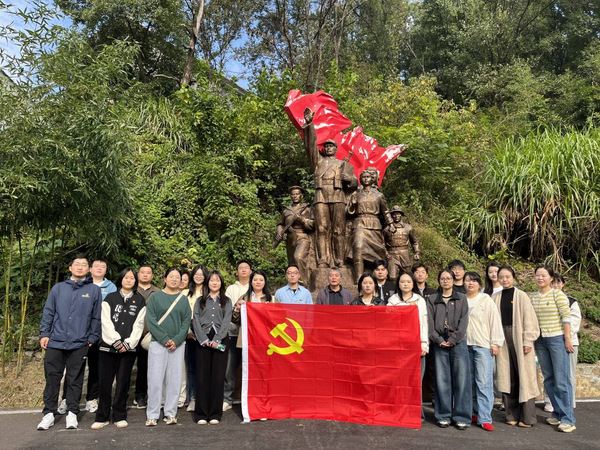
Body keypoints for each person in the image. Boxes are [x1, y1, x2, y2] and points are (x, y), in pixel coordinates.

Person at [37, 254, 102, 431]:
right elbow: (49, 312)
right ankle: (49, 414)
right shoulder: (58, 288)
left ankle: (72, 412)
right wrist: (45, 333)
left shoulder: (93, 290)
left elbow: (96, 317)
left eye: (84, 264)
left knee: (75, 380)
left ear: (89, 269)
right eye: (77, 264)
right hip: (55, 341)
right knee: (52, 379)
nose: (80, 267)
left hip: (79, 343)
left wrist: (92, 337)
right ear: (70, 268)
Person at [57, 258, 116, 416]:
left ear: (106, 270)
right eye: (96, 266)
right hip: (78, 332)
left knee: (96, 367)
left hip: (99, 333)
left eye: (103, 266)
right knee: (73, 368)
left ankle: (91, 398)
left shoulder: (111, 287)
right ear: (90, 269)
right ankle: (66, 398)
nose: (99, 269)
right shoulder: (80, 284)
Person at [302, 107, 358, 268]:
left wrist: (349, 179)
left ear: (336, 149)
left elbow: (354, 183)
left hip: (338, 196)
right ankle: (323, 260)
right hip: (321, 196)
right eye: (326, 146)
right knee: (321, 229)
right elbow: (311, 145)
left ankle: (339, 260)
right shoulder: (318, 162)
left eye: (331, 146)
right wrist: (309, 125)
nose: (328, 148)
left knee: (338, 230)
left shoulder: (343, 164)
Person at [91, 268, 146, 430]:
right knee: (105, 382)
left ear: (135, 281)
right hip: (107, 348)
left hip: (127, 350)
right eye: (126, 277)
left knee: (123, 383)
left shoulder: (139, 300)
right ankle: (102, 416)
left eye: (132, 278)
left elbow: (139, 324)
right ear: (121, 279)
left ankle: (119, 415)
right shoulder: (110, 298)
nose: (128, 280)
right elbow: (105, 321)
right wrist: (115, 341)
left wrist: (128, 343)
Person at [492, 266, 539, 428]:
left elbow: (530, 319)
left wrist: (528, 340)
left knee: (524, 377)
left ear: (513, 278)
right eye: (501, 277)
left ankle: (527, 418)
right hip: (503, 339)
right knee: (507, 376)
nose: (504, 279)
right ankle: (511, 414)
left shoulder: (521, 295)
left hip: (519, 338)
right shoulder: (495, 297)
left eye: (507, 276)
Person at [531, 265, 576, 433]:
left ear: (551, 278)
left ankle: (568, 419)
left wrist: (567, 338)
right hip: (540, 340)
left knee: (562, 380)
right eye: (537, 275)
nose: (540, 278)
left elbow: (566, 317)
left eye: (543, 275)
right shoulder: (533, 297)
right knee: (549, 378)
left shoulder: (558, 294)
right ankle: (557, 413)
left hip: (557, 339)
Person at [145, 268, 190, 426]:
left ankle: (171, 413)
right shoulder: (156, 297)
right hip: (158, 343)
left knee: (174, 380)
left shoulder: (183, 300)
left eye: (177, 277)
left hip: (177, 345)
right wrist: (164, 339)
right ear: (164, 279)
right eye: (171, 276)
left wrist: (176, 340)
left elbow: (186, 322)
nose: (174, 279)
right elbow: (151, 320)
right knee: (155, 379)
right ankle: (152, 414)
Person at [427, 269, 471, 430]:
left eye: (448, 278)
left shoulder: (461, 298)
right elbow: (429, 323)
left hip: (458, 342)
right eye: (442, 278)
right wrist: (438, 340)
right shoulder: (432, 299)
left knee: (462, 380)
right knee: (442, 380)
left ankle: (462, 417)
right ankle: (443, 415)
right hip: (439, 342)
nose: (445, 281)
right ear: (439, 281)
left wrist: (453, 340)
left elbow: (464, 321)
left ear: (453, 280)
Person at [464, 272, 504, 431]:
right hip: (464, 345)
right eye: (468, 280)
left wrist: (496, 343)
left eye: (474, 281)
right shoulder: (461, 300)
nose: (471, 283)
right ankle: (474, 412)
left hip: (482, 345)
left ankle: (485, 417)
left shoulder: (485, 300)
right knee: (469, 382)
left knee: (484, 382)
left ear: (479, 284)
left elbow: (495, 321)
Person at [387, 271, 428, 419]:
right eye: (403, 281)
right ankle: (398, 412)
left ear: (413, 284)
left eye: (409, 282)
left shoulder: (419, 300)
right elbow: (388, 321)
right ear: (398, 284)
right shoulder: (392, 301)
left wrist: (424, 344)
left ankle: (416, 414)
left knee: (415, 381)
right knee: (398, 381)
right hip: (398, 347)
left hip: (415, 345)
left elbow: (424, 323)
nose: (405, 284)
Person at [194, 271, 233, 425]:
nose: (214, 283)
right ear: (207, 283)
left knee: (218, 377)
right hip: (203, 339)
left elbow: (227, 320)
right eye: (212, 280)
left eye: (217, 280)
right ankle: (201, 414)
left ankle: (215, 413)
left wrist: (217, 339)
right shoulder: (200, 300)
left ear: (221, 283)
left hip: (220, 339)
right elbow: (196, 319)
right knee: (202, 377)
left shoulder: (226, 301)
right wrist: (203, 339)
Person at [346, 168, 395, 280]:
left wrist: (391, 224)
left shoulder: (379, 195)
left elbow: (385, 211)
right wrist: (352, 205)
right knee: (358, 248)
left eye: (368, 177)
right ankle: (358, 279)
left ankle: (379, 278)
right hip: (360, 223)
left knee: (379, 252)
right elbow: (348, 213)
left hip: (374, 225)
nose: (366, 179)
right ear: (360, 180)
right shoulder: (356, 195)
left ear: (372, 179)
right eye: (363, 177)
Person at [223, 260, 252, 412]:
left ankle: (249, 398)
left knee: (252, 368)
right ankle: (227, 398)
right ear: (237, 272)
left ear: (251, 271)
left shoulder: (255, 287)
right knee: (230, 367)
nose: (243, 270)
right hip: (234, 332)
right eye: (241, 268)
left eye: (246, 268)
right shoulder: (231, 289)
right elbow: (227, 309)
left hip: (252, 335)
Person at [273, 186, 314, 283]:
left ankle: (303, 282)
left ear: (301, 195)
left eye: (297, 194)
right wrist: (279, 231)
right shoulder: (286, 211)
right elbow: (281, 224)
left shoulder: (307, 209)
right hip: (290, 239)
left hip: (302, 236)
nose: (295, 196)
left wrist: (302, 220)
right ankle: (293, 284)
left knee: (298, 257)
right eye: (293, 194)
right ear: (290, 196)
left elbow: (313, 224)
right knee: (292, 263)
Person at [134, 264, 161, 409]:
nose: (145, 275)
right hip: (131, 335)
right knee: (125, 367)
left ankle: (142, 395)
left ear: (152, 275)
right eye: (142, 272)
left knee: (146, 367)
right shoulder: (131, 290)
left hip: (149, 335)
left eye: (148, 272)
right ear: (138, 274)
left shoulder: (158, 292)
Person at [181, 265, 208, 412]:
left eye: (201, 274)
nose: (198, 277)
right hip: (190, 333)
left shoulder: (209, 292)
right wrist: (187, 331)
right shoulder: (185, 293)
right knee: (192, 367)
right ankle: (193, 398)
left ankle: (205, 397)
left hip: (206, 333)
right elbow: (181, 314)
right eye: (196, 274)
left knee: (205, 367)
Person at [232, 269, 273, 346]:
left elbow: (279, 320)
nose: (258, 282)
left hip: (266, 338)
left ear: (265, 282)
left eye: (261, 280)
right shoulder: (244, 298)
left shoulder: (272, 300)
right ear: (251, 282)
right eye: (255, 280)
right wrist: (237, 309)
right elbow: (234, 320)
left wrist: (270, 311)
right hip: (247, 337)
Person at [384, 206, 421, 281]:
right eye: (394, 214)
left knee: (408, 276)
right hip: (392, 255)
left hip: (404, 255)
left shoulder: (408, 227)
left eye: (398, 214)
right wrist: (386, 254)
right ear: (391, 216)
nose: (396, 216)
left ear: (401, 215)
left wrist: (416, 252)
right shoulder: (386, 229)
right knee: (392, 277)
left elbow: (414, 241)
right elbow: (382, 244)